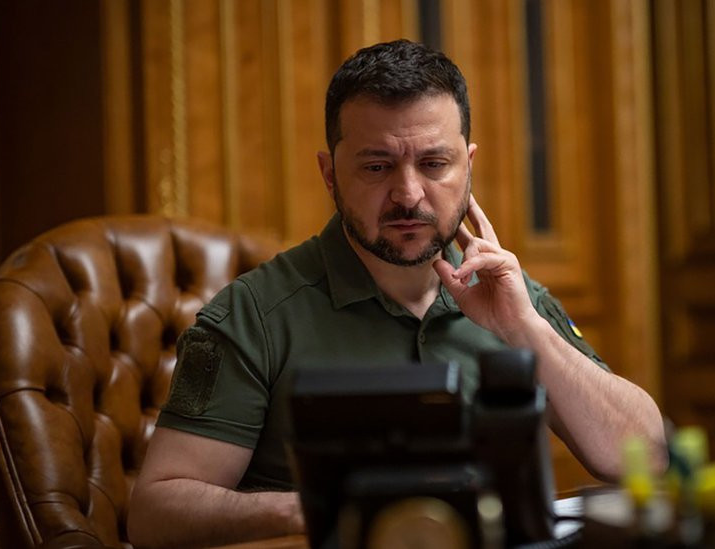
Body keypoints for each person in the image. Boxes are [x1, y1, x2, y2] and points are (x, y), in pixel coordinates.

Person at [127, 39, 665, 548]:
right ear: (330, 174)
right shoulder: (254, 315)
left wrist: (523, 329)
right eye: (377, 166)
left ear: (468, 167)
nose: (408, 195)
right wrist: (311, 507)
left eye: (434, 164)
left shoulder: (510, 295)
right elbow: (155, 512)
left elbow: (645, 456)